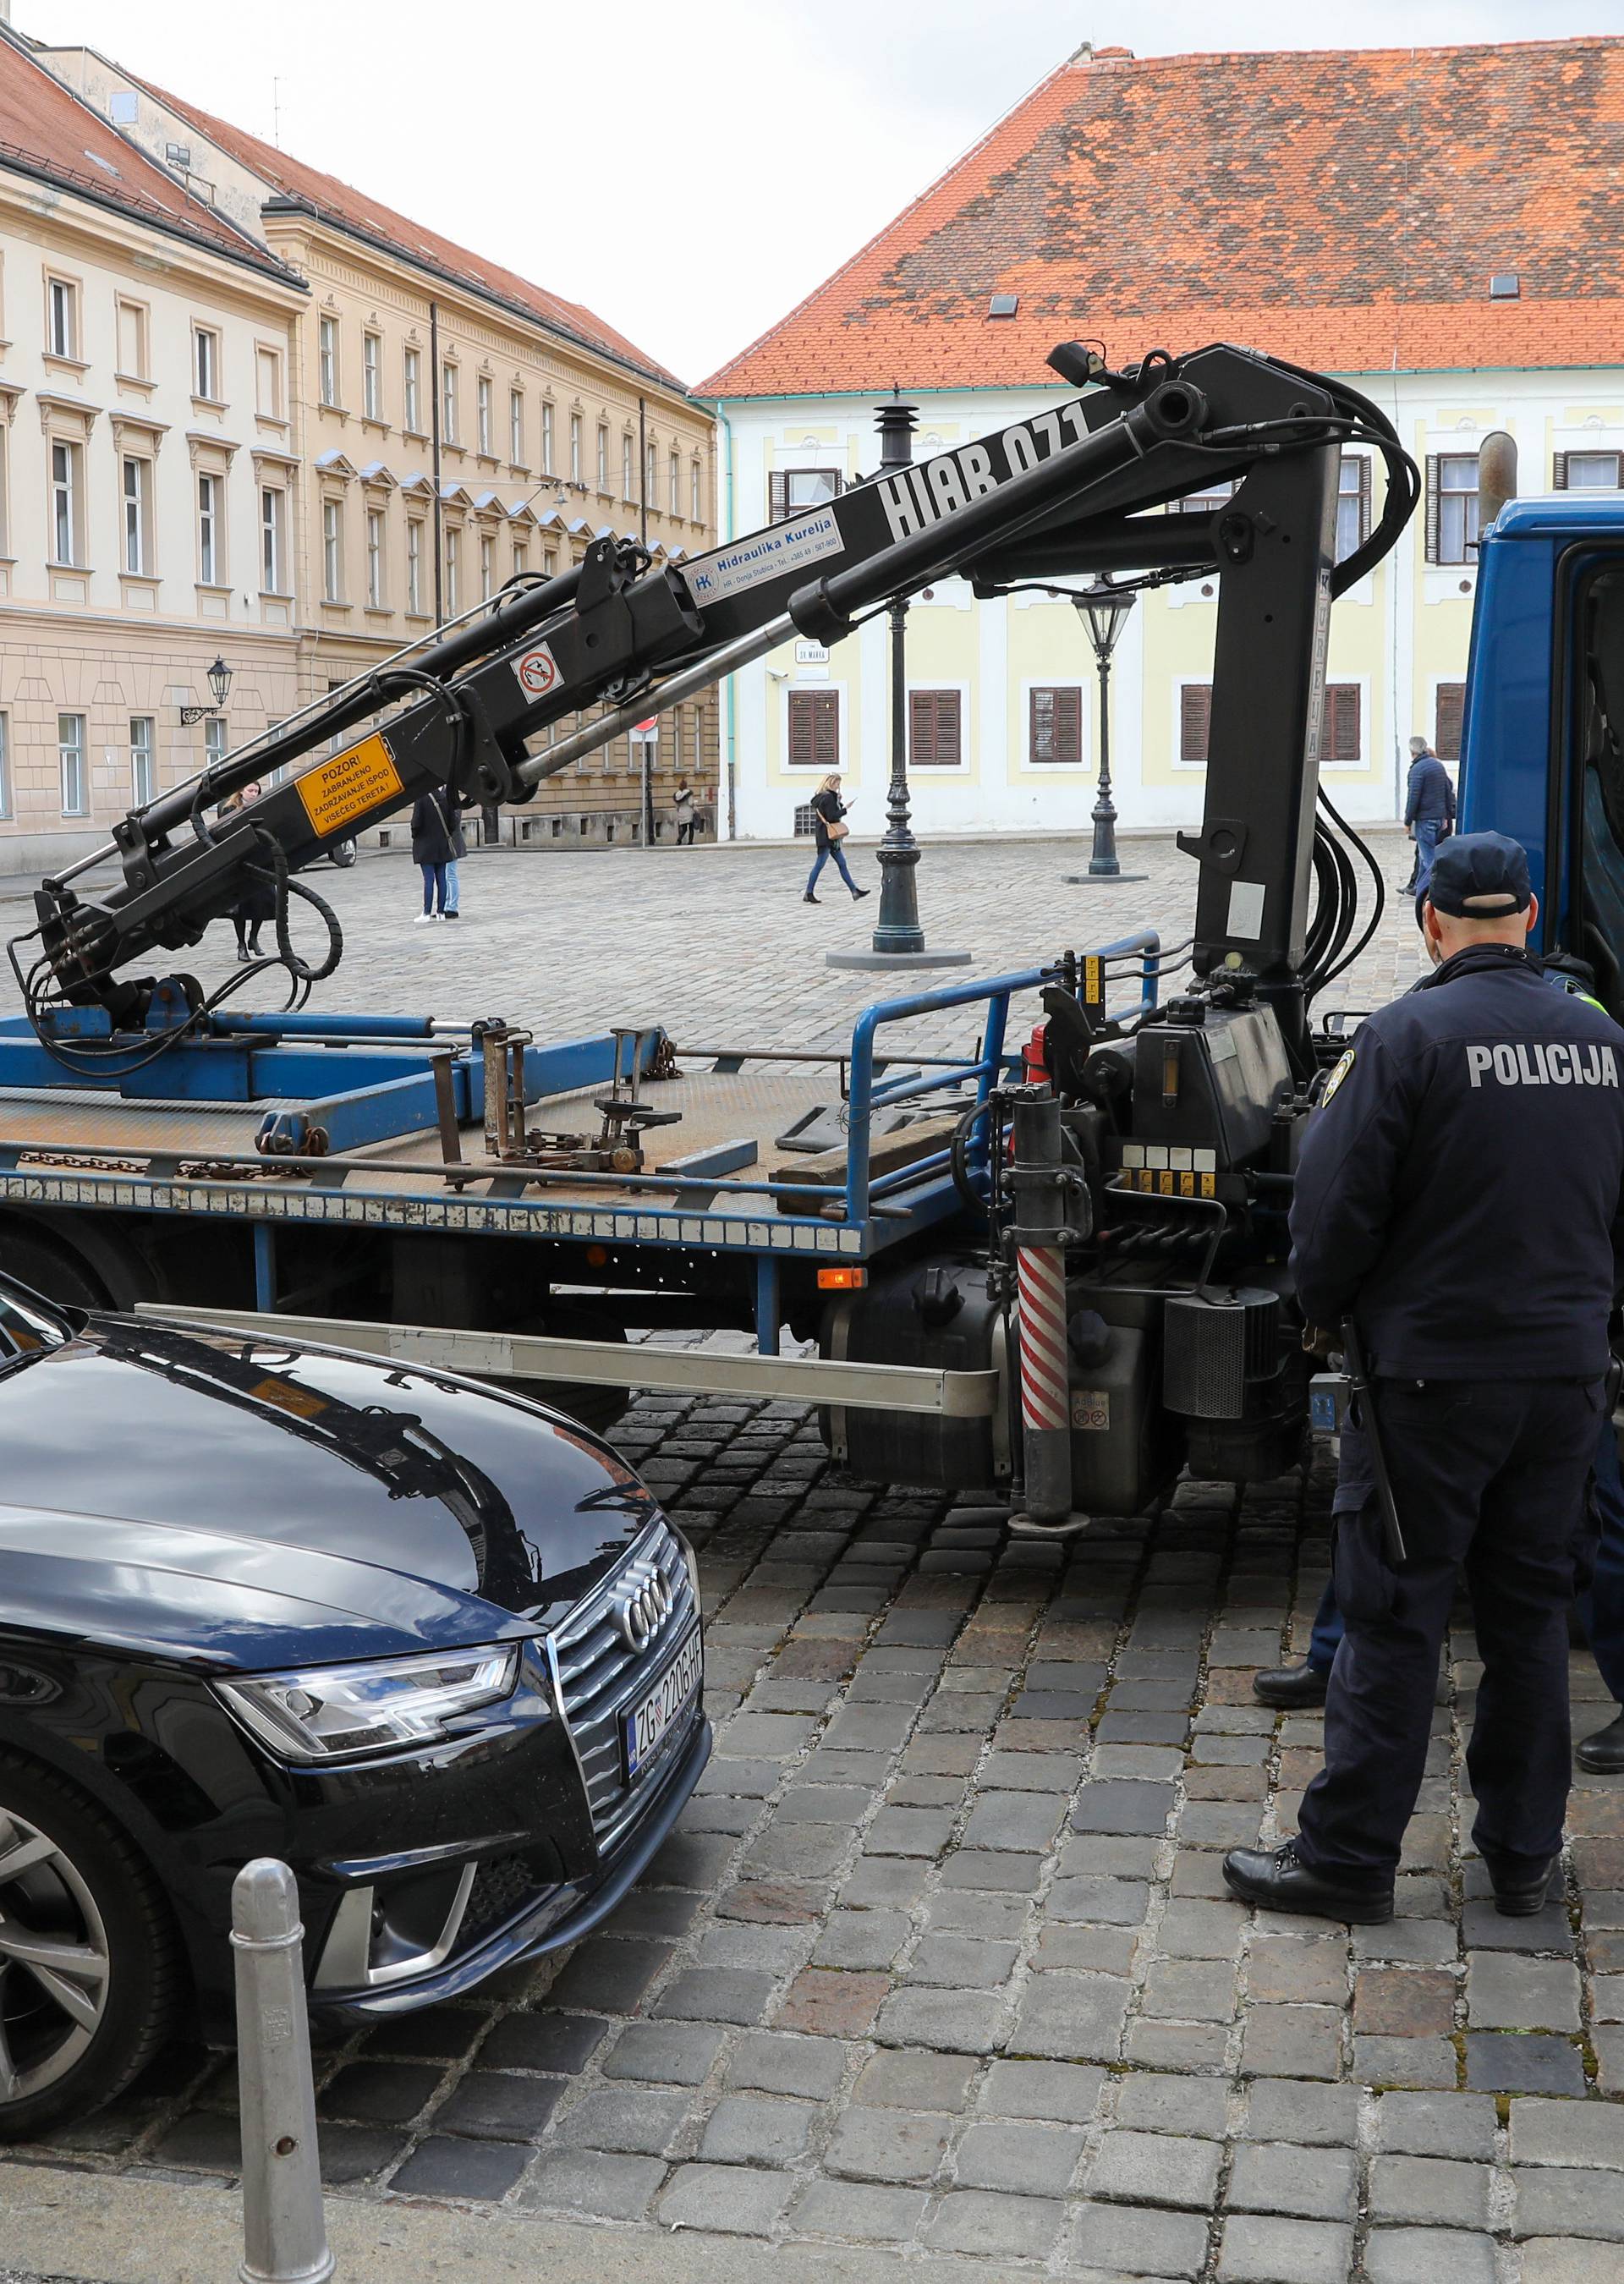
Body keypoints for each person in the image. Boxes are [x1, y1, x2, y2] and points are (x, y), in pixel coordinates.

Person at [1223, 832, 1624, 1924]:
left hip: (1433, 1382)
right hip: (1564, 1379)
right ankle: (1523, 1859)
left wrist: (1322, 1312)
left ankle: (1348, 1860)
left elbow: (1333, 1207)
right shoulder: (1602, 1039)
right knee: (1532, 1617)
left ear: (1432, 925)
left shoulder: (1403, 1037)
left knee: (1394, 1618)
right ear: (1532, 917)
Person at [220, 782, 273, 961]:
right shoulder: (230, 809)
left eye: (256, 791)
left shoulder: (262, 806)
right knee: (241, 907)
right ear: (241, 791)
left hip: (260, 859)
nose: (253, 794)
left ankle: (253, 938)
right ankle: (241, 944)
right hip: (240, 862)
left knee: (263, 902)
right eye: (250, 790)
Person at [1405, 735, 1456, 907]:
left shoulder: (1417, 770)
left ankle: (1439, 891)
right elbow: (1447, 792)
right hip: (1439, 818)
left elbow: (1413, 798)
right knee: (1422, 855)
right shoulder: (1438, 765)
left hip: (1425, 819)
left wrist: (1407, 821)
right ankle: (1418, 888)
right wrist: (1447, 816)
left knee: (1428, 859)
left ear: (1412, 751)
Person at [804, 773, 869, 904]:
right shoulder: (828, 798)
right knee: (819, 864)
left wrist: (838, 801)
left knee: (842, 864)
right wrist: (845, 808)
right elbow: (832, 816)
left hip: (828, 836)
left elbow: (830, 812)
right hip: (827, 837)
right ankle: (808, 893)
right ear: (831, 783)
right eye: (837, 784)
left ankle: (854, 891)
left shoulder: (823, 797)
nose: (839, 786)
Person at [410, 786, 458, 924]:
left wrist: (415, 836)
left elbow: (416, 823)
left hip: (425, 846)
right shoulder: (445, 797)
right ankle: (441, 912)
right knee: (441, 879)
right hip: (442, 845)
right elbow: (452, 823)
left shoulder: (421, 798)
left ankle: (426, 912)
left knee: (428, 879)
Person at [674, 778, 698, 846]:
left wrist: (679, 810)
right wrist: (694, 804)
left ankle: (679, 840)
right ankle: (690, 842)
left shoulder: (677, 794)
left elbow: (676, 806)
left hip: (681, 812)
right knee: (691, 828)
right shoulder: (688, 793)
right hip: (689, 812)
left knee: (684, 829)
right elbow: (690, 803)